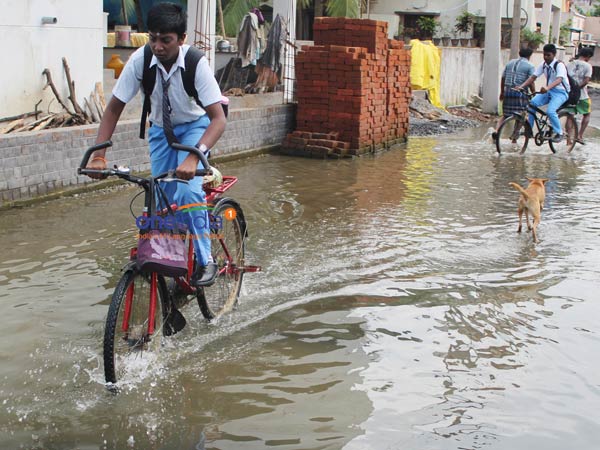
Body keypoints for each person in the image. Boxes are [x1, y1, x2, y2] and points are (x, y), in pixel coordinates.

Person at [86, 2, 226, 287]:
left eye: (166, 40)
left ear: (181, 39)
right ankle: (170, 261)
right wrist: (98, 155)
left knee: (187, 192)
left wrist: (193, 158)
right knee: (159, 197)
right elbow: (113, 108)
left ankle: (206, 260)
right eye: (153, 38)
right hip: (161, 130)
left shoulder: (195, 63)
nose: (158, 46)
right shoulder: (140, 60)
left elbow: (218, 119)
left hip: (195, 127)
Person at [518, 43, 570, 143]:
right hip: (549, 91)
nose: (546, 57)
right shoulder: (543, 65)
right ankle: (529, 129)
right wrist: (521, 87)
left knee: (550, 111)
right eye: (544, 55)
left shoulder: (559, 65)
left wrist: (547, 87)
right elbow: (533, 77)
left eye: (548, 55)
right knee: (532, 104)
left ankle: (559, 132)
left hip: (561, 93)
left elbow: (559, 79)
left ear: (554, 54)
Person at [494, 48, 535, 137]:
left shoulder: (510, 63)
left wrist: (502, 92)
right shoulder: (530, 66)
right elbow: (531, 81)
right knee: (522, 115)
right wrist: (534, 93)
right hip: (520, 93)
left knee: (505, 115)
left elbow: (503, 78)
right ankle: (515, 136)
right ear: (530, 56)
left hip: (508, 91)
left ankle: (496, 131)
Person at [567, 47, 593, 144]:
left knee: (570, 116)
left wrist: (572, 89)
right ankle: (579, 135)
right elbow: (586, 81)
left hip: (570, 94)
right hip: (582, 95)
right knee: (587, 114)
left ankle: (568, 139)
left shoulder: (570, 64)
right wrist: (577, 88)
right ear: (588, 56)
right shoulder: (588, 66)